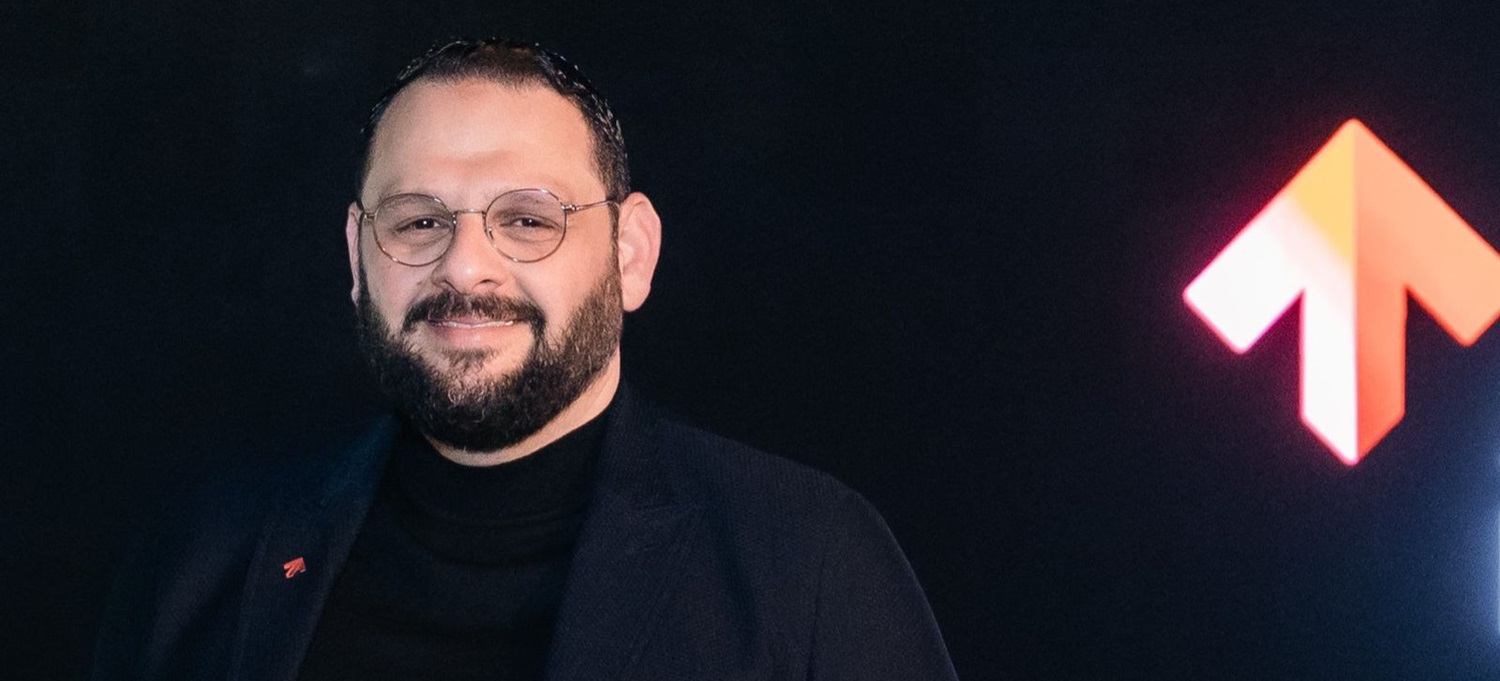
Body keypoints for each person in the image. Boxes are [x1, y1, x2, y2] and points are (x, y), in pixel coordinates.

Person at [91, 37, 958, 681]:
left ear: (630, 254)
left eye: (529, 219)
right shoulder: (202, 561)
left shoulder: (807, 563)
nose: (466, 267)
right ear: (358, 257)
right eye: (420, 221)